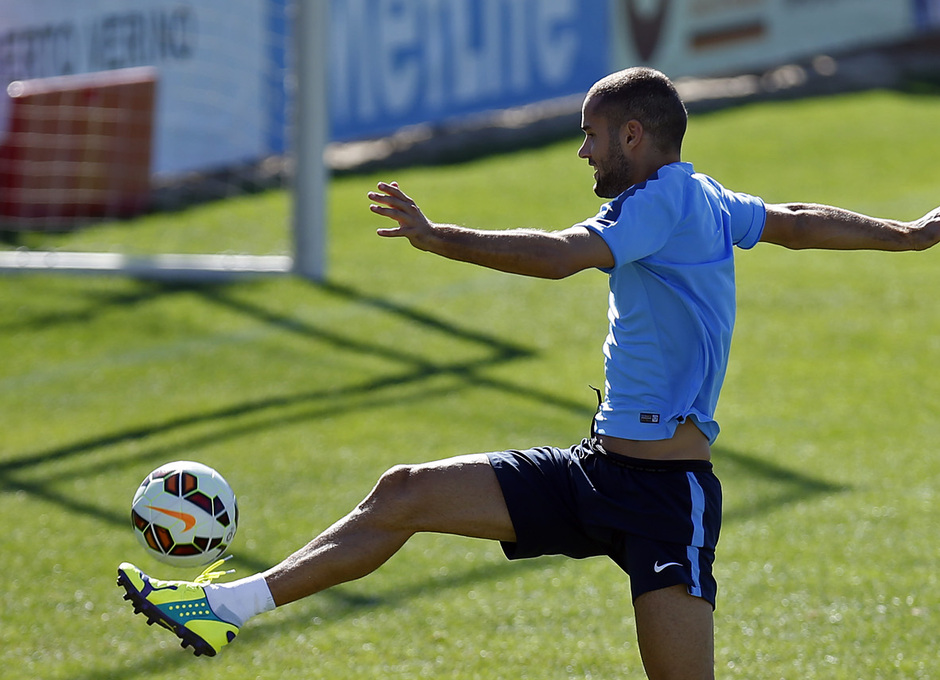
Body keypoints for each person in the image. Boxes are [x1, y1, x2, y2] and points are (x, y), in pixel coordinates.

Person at [116, 67, 940, 679]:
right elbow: (795, 222)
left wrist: (442, 238)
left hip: (665, 500)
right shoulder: (706, 197)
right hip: (596, 471)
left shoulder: (657, 203)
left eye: (591, 133)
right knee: (403, 491)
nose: (582, 149)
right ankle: (222, 608)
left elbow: (558, 257)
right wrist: (905, 235)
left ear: (632, 135)